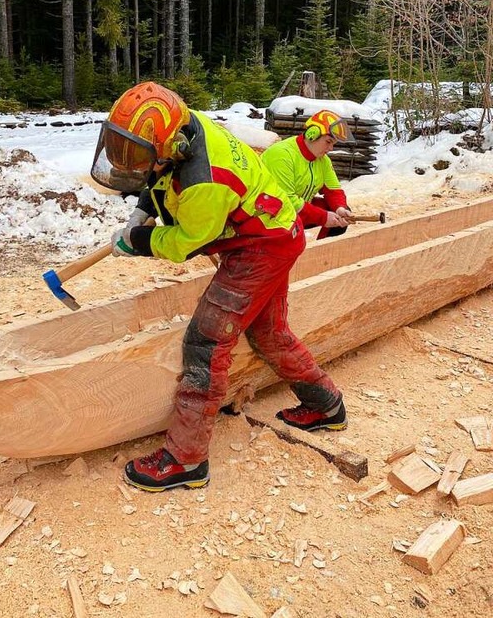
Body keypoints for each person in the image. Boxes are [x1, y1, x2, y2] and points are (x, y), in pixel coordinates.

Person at [90, 82, 346, 493]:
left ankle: (185, 459)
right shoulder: (186, 126)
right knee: (268, 332)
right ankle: (326, 404)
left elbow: (183, 243)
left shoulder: (204, 183)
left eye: (139, 155)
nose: (132, 162)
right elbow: (160, 175)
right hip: (278, 231)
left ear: (171, 144)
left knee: (206, 341)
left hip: (262, 247)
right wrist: (142, 209)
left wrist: (139, 242)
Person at [261, 109, 354, 240]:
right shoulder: (281, 155)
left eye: (333, 144)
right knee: (290, 229)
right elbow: (286, 201)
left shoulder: (323, 160)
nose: (331, 148)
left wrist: (340, 208)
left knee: (339, 216)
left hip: (294, 211)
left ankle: (321, 255)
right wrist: (323, 217)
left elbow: (334, 190)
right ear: (312, 134)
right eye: (328, 142)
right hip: (268, 214)